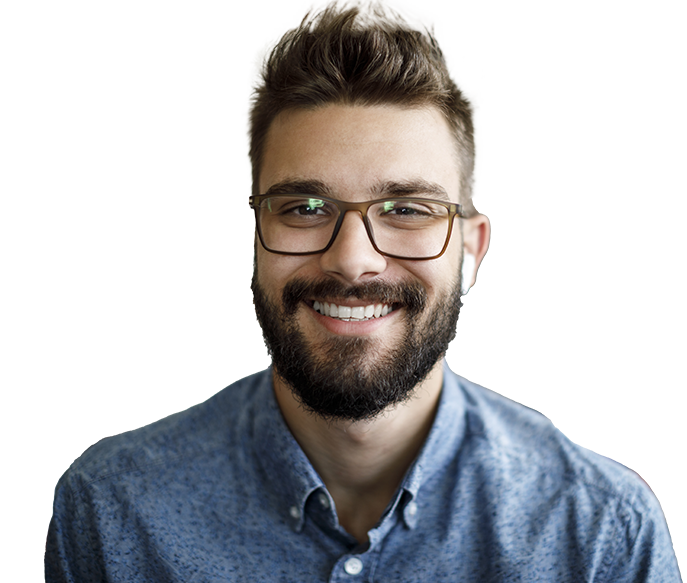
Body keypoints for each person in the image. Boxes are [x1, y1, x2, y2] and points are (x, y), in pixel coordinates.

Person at [44, 1, 681, 580]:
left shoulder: (598, 532)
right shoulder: (112, 511)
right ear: (254, 237)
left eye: (407, 209)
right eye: (303, 207)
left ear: (470, 251)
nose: (352, 262)